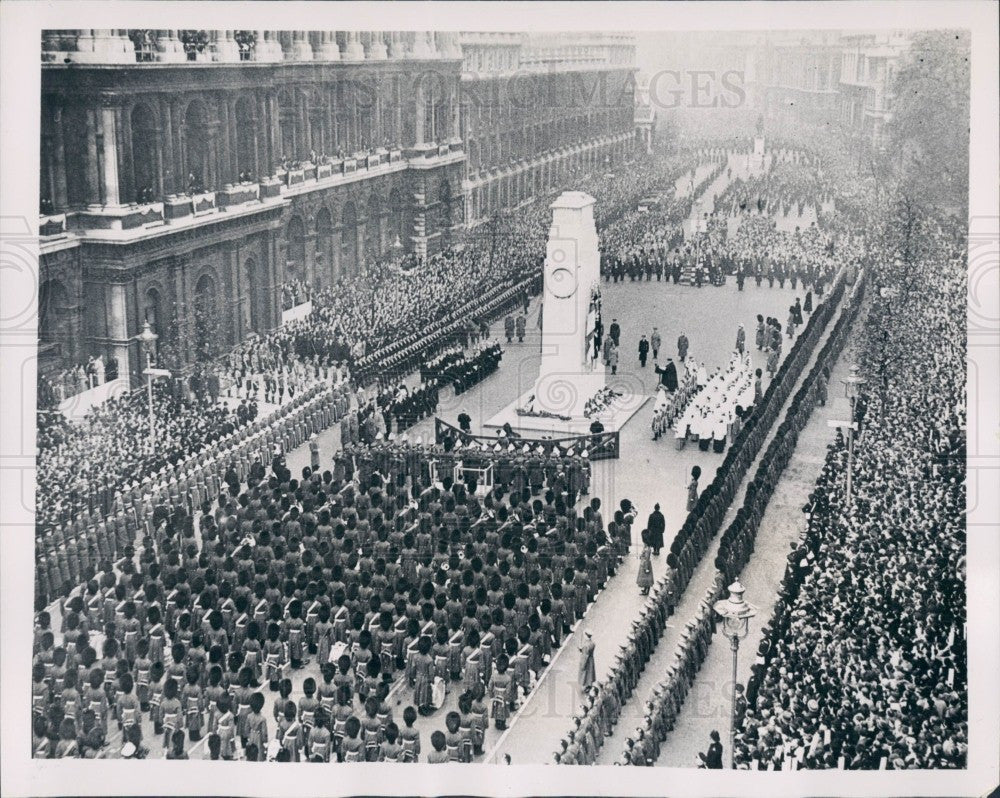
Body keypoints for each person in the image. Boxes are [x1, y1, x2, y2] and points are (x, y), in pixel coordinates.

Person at [636, 531, 653, 596]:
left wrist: (646, 568)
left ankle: (647, 591)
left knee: (647, 578)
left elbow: (647, 559)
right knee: (645, 578)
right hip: (643, 564)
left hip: (646, 565)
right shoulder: (646, 547)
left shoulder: (647, 549)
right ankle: (645, 589)